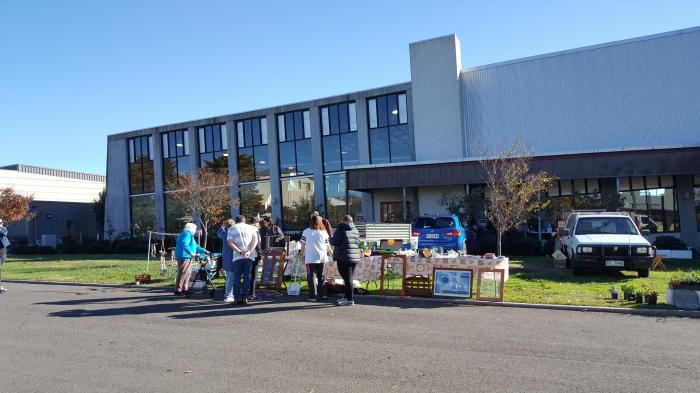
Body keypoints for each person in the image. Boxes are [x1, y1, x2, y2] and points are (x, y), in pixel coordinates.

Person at [226, 215, 259, 305]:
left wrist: (240, 251)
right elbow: (255, 241)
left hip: (237, 256)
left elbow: (230, 242)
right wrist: (249, 251)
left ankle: (236, 298)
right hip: (249, 256)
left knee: (237, 277)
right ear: (244, 221)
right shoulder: (252, 228)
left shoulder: (232, 229)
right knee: (246, 277)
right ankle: (245, 298)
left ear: (236, 221)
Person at [330, 215, 360, 306]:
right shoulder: (355, 230)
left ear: (343, 221)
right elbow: (358, 242)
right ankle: (347, 297)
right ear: (351, 221)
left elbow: (334, 242)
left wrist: (330, 239)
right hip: (354, 257)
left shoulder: (341, 229)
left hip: (343, 257)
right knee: (349, 279)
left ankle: (350, 299)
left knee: (347, 279)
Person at [301, 215, 332, 301]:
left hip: (310, 258)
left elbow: (302, 245)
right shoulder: (324, 232)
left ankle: (313, 296)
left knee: (311, 277)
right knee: (321, 276)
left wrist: (301, 254)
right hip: (322, 257)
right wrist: (332, 253)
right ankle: (322, 294)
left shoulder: (306, 232)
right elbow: (328, 246)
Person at [174, 222, 209, 296]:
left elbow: (196, 246)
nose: (195, 230)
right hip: (184, 256)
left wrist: (204, 250)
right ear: (191, 229)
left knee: (188, 273)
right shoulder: (187, 234)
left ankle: (184, 289)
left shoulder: (188, 235)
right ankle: (178, 290)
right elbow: (184, 244)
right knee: (183, 273)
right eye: (194, 229)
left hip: (187, 256)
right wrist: (191, 253)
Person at [247, 217, 262, 300]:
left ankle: (247, 293)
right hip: (254, 254)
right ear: (255, 223)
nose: (259, 224)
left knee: (247, 274)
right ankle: (252, 293)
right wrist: (260, 254)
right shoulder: (255, 230)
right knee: (253, 275)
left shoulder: (246, 229)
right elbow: (257, 244)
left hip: (245, 254)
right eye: (258, 223)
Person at [0, 218, 10, 293]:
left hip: (2, 249)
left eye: (1, 223)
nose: (2, 224)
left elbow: (5, 232)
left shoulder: (3, 229)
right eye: (0, 223)